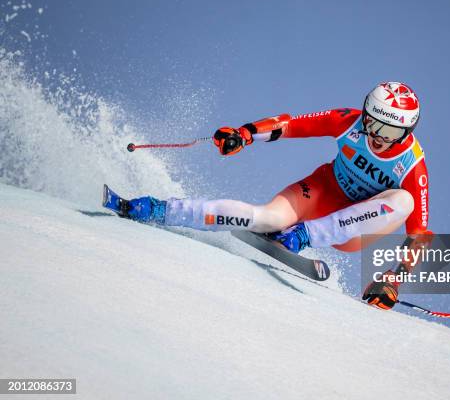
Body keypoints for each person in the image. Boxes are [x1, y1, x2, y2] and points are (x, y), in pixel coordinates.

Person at [127, 82, 431, 310]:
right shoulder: (347, 120)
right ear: (364, 114)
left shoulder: (412, 166)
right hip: (319, 193)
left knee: (405, 202)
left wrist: (394, 279)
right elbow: (291, 125)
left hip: (353, 226)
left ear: (406, 132)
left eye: (389, 133)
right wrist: (245, 134)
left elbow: (419, 236)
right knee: (265, 218)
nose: (377, 136)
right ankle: (156, 209)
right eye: (372, 124)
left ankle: (303, 235)